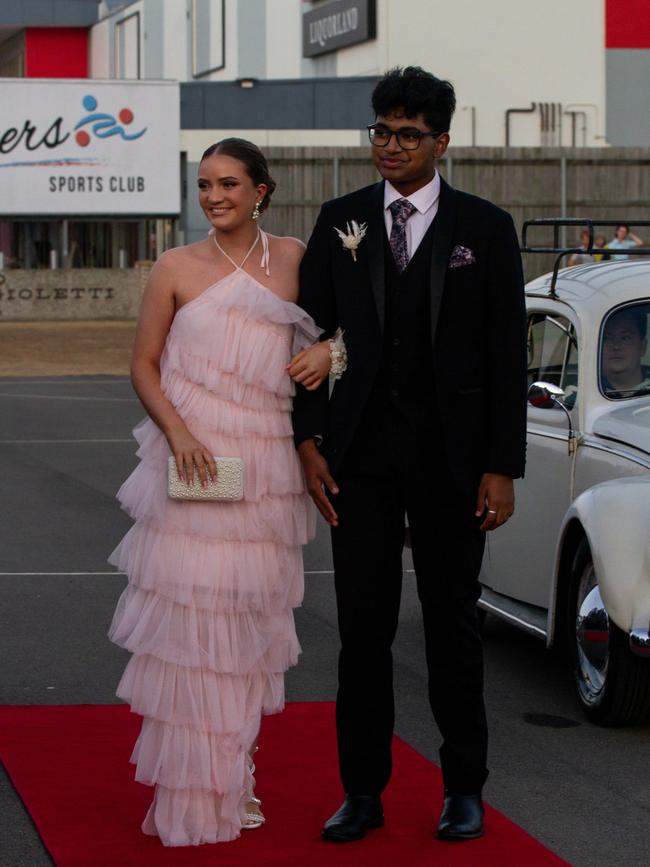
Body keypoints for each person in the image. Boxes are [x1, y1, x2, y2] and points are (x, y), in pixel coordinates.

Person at [292, 67, 527, 844]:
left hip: (453, 464)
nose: (390, 146)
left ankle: (465, 787)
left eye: (407, 134)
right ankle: (363, 791)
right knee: (362, 631)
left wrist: (503, 465)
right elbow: (313, 342)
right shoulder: (339, 222)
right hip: (358, 459)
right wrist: (308, 439)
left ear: (441, 141)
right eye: (381, 132)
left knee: (452, 627)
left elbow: (504, 356)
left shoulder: (486, 229)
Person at [107, 138, 331, 846]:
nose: (213, 197)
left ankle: (239, 770)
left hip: (265, 470)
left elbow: (352, 334)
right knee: (190, 634)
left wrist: (335, 353)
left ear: (261, 189)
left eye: (228, 183)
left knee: (247, 633)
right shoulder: (174, 266)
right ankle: (192, 782)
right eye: (203, 185)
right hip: (194, 468)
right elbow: (143, 365)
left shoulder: (297, 258)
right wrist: (177, 433)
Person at [601, 306, 650, 397]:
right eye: (606, 339)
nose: (616, 346)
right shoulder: (578, 395)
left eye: (625, 338)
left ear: (643, 346)